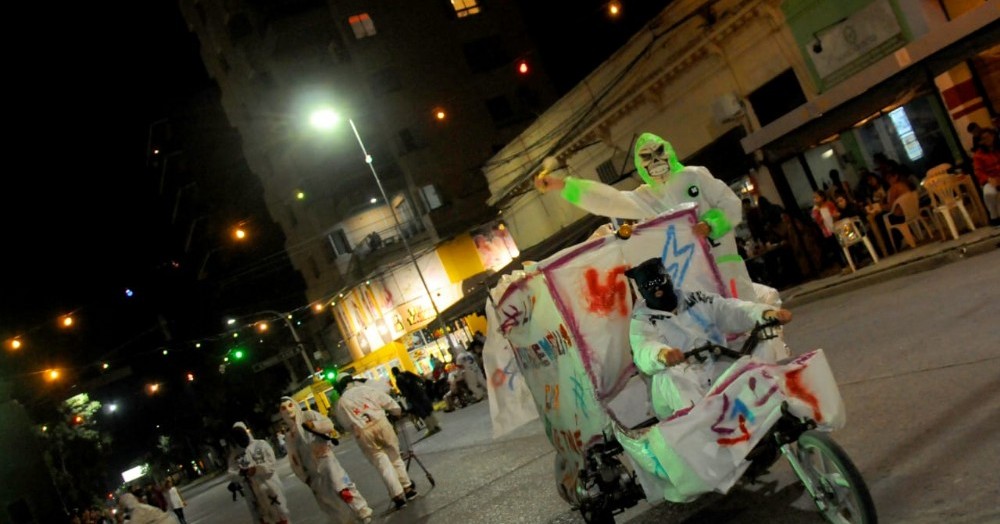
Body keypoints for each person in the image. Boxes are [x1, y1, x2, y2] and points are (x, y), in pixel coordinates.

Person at [534, 132, 757, 301]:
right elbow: (609, 201)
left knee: (752, 324)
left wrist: (711, 224)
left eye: (659, 153)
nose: (655, 161)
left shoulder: (694, 176)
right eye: (647, 158)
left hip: (726, 267)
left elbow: (730, 204)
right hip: (692, 281)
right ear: (641, 165)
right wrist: (564, 186)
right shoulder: (647, 196)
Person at [624, 257, 793, 420]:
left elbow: (731, 309)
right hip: (685, 387)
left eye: (659, 282)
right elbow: (643, 348)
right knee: (671, 375)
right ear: (641, 291)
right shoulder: (641, 321)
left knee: (761, 344)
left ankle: (774, 405)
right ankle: (702, 428)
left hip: (718, 368)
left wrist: (765, 314)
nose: (656, 290)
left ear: (668, 278)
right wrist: (661, 355)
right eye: (647, 286)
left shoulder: (698, 299)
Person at [278, 396, 374, 524]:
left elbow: (329, 425)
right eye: (283, 408)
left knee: (343, 488)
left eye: (290, 406)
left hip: (326, 459)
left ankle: (362, 511)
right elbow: (294, 459)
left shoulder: (309, 415)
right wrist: (304, 477)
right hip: (312, 472)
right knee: (328, 500)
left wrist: (314, 425)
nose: (288, 410)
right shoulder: (290, 435)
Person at [333, 375, 418, 510]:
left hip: (363, 431)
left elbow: (345, 424)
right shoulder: (365, 389)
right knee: (395, 457)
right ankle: (408, 488)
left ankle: (397, 496)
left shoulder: (341, 402)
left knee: (382, 463)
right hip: (381, 423)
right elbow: (387, 401)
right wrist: (397, 411)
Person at [227, 421, 291, 524]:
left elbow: (271, 465)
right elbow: (231, 473)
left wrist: (256, 470)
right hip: (253, 493)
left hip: (270, 487)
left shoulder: (261, 445)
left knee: (280, 515)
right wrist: (242, 474)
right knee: (263, 518)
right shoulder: (235, 455)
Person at [392, 367, 441, 437]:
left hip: (413, 397)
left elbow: (404, 391)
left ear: (393, 373)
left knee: (422, 412)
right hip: (420, 393)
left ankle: (431, 428)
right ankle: (436, 425)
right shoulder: (407, 373)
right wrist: (423, 385)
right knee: (428, 409)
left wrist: (408, 399)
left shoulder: (398, 381)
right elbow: (417, 378)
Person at [972, 127, 1000, 226]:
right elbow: (978, 172)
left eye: (989, 137)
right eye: (984, 138)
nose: (988, 140)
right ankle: (994, 217)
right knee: (989, 193)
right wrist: (989, 179)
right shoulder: (978, 155)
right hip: (990, 180)